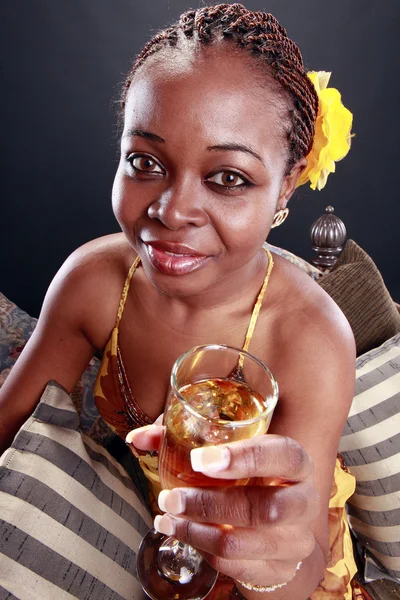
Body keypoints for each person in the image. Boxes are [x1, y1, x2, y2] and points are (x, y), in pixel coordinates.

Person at [0, 3, 356, 599]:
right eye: (146, 162)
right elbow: (10, 422)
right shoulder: (93, 283)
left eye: (228, 178)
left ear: (287, 184)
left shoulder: (310, 341)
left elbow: (302, 566)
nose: (171, 211)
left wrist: (271, 565)